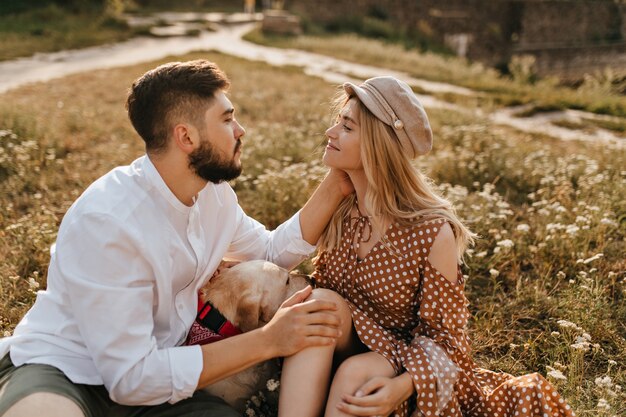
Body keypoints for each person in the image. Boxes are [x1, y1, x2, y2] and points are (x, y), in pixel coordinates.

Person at [0, 60, 350, 417]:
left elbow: (269, 252)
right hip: (66, 370)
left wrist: (338, 181)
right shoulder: (109, 220)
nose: (240, 130)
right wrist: (269, 340)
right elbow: (130, 378)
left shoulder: (214, 196)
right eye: (227, 120)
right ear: (186, 137)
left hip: (158, 380)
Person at [278, 76, 575, 417]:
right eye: (337, 122)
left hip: (402, 359)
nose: (330, 133)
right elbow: (287, 253)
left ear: (378, 144)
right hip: (343, 340)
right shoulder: (341, 207)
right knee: (319, 306)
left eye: (346, 127)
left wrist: (403, 386)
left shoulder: (430, 231)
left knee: (356, 375)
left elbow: (448, 340)